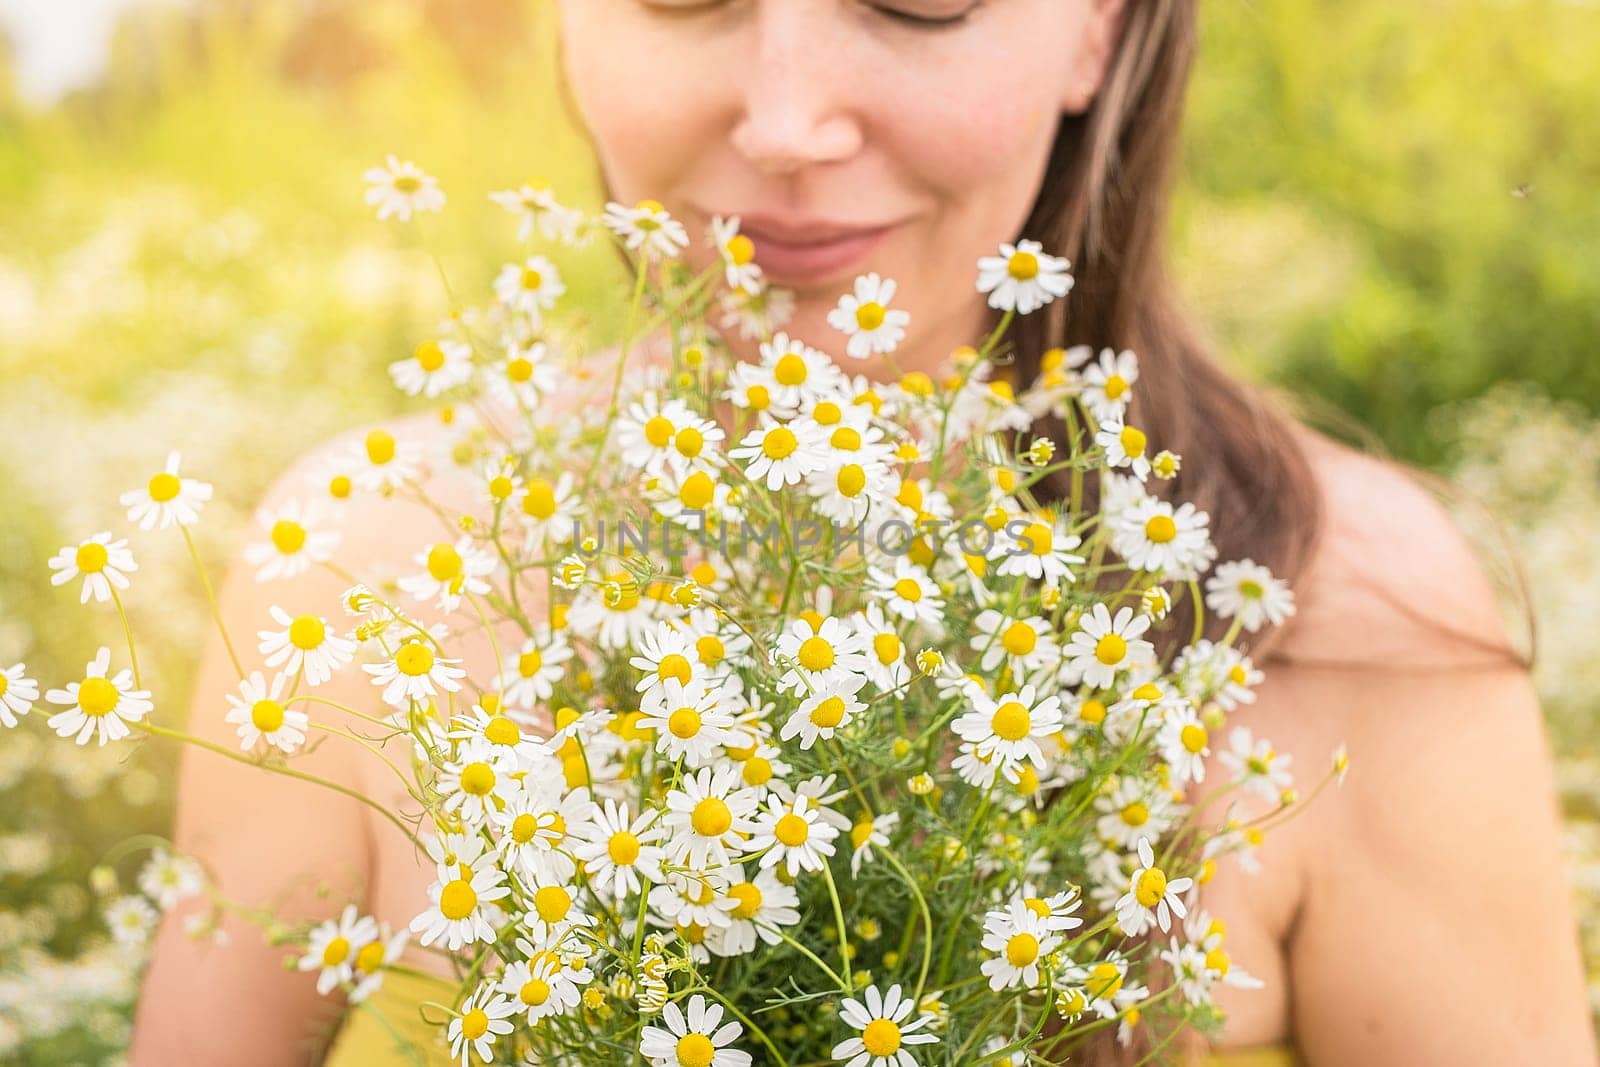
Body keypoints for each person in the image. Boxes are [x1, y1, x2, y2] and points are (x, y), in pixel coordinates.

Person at [129, 1, 1596, 1064]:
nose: (787, 120)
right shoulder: (350, 566)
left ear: (1100, 27)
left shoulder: (1354, 616)